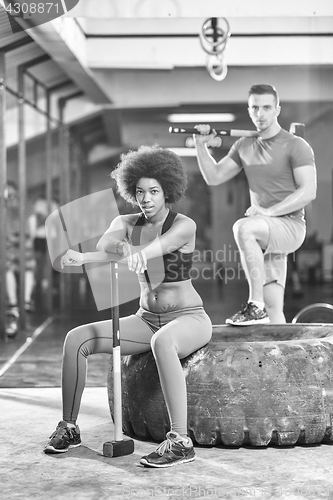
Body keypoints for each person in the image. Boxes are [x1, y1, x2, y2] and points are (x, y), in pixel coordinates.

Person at [43, 145, 212, 468]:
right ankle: (69, 427)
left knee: (162, 341)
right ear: (131, 191)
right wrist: (110, 249)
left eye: (154, 191)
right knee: (77, 338)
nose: (146, 198)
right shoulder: (126, 220)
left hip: (188, 318)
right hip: (146, 319)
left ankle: (180, 442)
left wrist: (137, 253)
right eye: (139, 192)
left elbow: (162, 246)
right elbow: (106, 243)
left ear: (168, 191)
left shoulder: (183, 225)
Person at [194, 84, 317, 325]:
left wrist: (269, 212)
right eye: (255, 108)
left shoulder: (296, 145)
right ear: (249, 111)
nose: (260, 114)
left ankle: (255, 305)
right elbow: (214, 176)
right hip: (267, 235)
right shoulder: (244, 145)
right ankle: (281, 355)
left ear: (277, 110)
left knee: (244, 228)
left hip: (289, 226)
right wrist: (200, 146)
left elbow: (309, 190)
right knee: (275, 310)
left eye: (267, 108)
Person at [5, 181, 36, 318]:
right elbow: (32, 223)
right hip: (13, 242)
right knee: (11, 270)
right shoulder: (23, 205)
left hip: (18, 241)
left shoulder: (22, 205)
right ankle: (20, 301)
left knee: (18, 270)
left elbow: (32, 222)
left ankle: (20, 301)